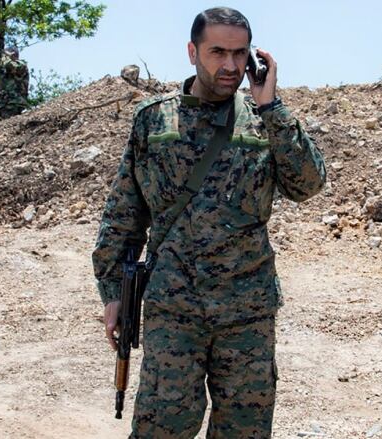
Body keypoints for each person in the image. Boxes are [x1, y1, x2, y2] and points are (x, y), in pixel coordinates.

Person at [92, 7, 327, 438]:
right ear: (192, 51)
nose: (231, 65)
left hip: (248, 312)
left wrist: (271, 106)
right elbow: (124, 214)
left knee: (245, 430)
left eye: (240, 54)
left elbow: (308, 184)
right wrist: (113, 294)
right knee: (163, 427)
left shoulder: (265, 118)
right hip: (173, 308)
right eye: (218, 52)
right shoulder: (154, 121)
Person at [0, 47, 29, 118]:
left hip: (15, 102)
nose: (3, 57)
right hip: (4, 104)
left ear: (13, 54)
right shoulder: (5, 69)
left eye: (5, 54)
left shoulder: (21, 65)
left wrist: (7, 58)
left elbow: (12, 66)